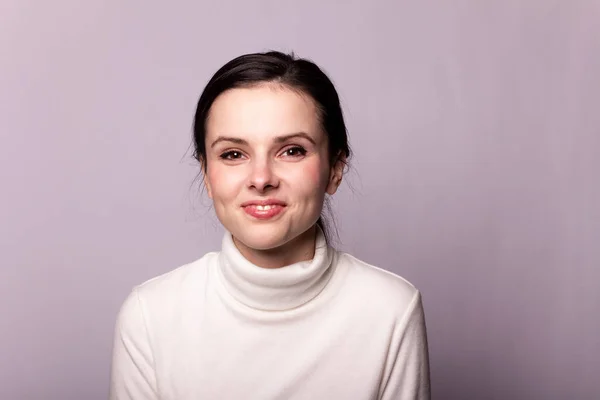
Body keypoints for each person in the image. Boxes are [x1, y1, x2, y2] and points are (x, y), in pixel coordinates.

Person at [109, 51, 430, 400]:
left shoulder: (390, 311)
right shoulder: (150, 316)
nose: (261, 179)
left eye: (292, 150)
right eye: (233, 154)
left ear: (335, 168)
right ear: (206, 174)